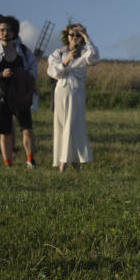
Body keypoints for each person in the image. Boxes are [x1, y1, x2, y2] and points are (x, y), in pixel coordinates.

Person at [46, 23, 101, 172]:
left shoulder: (85, 53)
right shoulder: (58, 53)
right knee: (63, 127)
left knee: (73, 126)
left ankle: (66, 163)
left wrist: (86, 37)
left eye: (78, 35)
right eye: (72, 35)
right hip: (61, 93)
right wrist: (67, 60)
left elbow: (95, 57)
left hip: (76, 93)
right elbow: (53, 72)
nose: (75, 38)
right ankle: (70, 163)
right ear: (67, 36)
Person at [0, 16, 38, 168]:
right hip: (1, 95)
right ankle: (8, 164)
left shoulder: (24, 50)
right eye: (2, 30)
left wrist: (25, 75)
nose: (5, 33)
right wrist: (2, 74)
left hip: (21, 95)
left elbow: (34, 70)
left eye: (8, 30)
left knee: (27, 128)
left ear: (14, 32)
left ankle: (30, 160)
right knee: (5, 132)